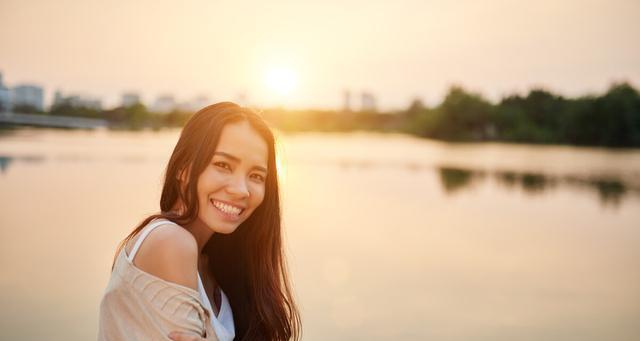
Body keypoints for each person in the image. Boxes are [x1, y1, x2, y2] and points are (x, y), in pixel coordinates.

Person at [98, 102, 301, 341]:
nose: (241, 190)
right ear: (183, 169)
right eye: (223, 165)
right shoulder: (170, 242)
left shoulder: (215, 267)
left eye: (256, 176)